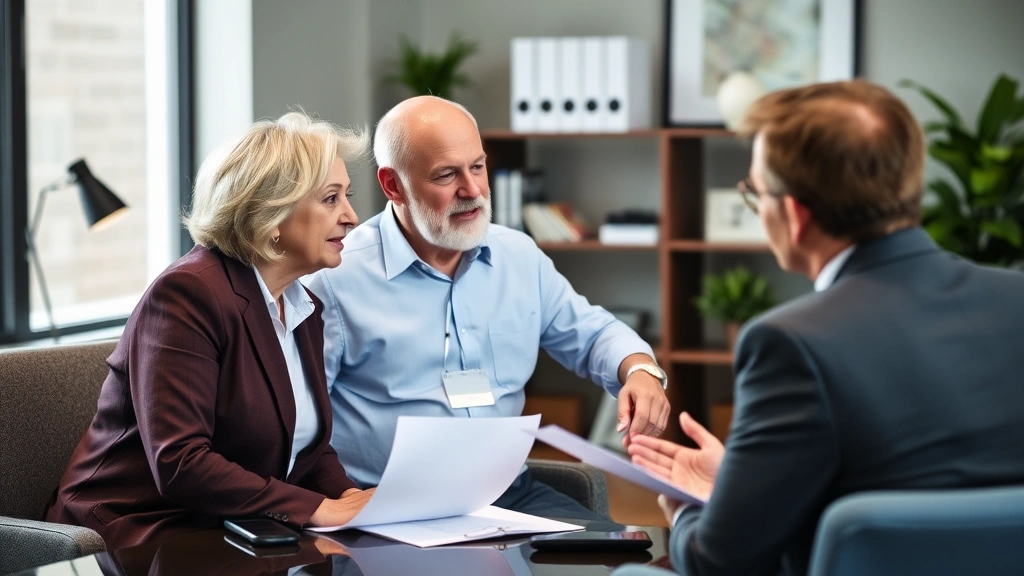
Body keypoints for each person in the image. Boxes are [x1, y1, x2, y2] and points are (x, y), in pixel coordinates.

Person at [625, 80, 1024, 575]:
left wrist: (687, 509)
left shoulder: (790, 343)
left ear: (794, 216)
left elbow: (721, 564)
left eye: (756, 194)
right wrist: (744, 485)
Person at [305, 95, 671, 521]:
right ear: (393, 185)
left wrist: (640, 371)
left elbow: (592, 333)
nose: (473, 190)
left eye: (477, 167)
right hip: (391, 506)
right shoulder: (334, 279)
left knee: (618, 550)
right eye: (447, 175)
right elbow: (300, 425)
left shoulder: (519, 256)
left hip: (509, 494)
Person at [47, 112, 376, 549]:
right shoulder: (187, 293)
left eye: (346, 196)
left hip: (237, 527)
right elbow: (181, 463)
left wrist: (350, 499)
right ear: (271, 213)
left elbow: (308, 447)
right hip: (137, 530)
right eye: (331, 199)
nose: (352, 216)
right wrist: (318, 509)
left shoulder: (302, 306)